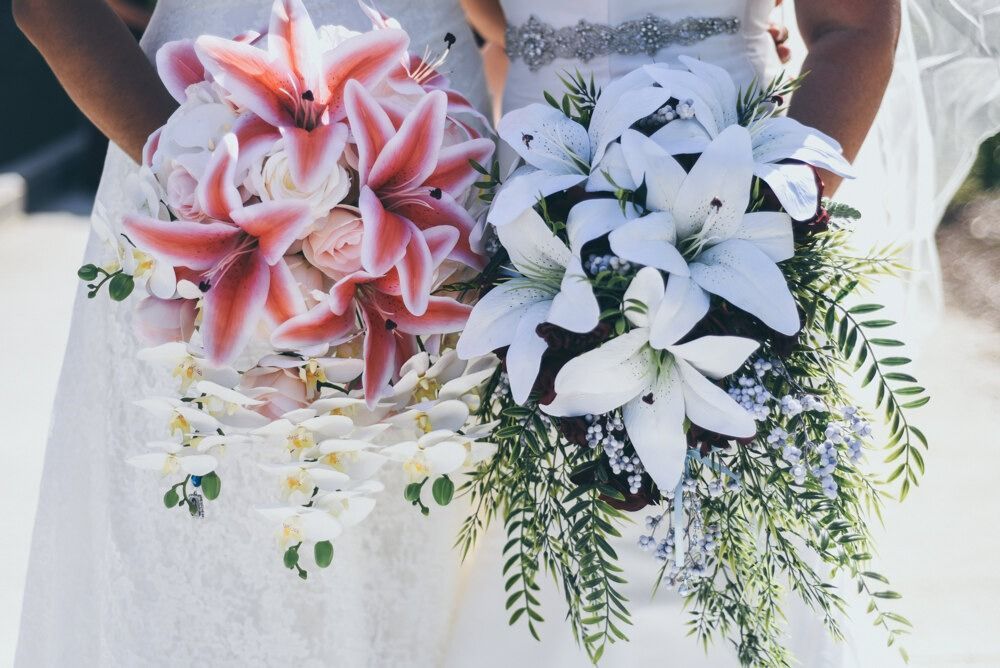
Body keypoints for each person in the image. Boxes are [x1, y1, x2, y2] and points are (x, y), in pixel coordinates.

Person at [12, 1, 490, 666]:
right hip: (203, 176)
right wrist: (212, 188)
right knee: (213, 568)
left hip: (437, 175)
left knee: (409, 570)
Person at [445, 1, 900, 666]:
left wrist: (767, 223)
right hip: (536, 230)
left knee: (734, 560)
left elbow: (857, 27)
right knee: (548, 560)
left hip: (731, 214)